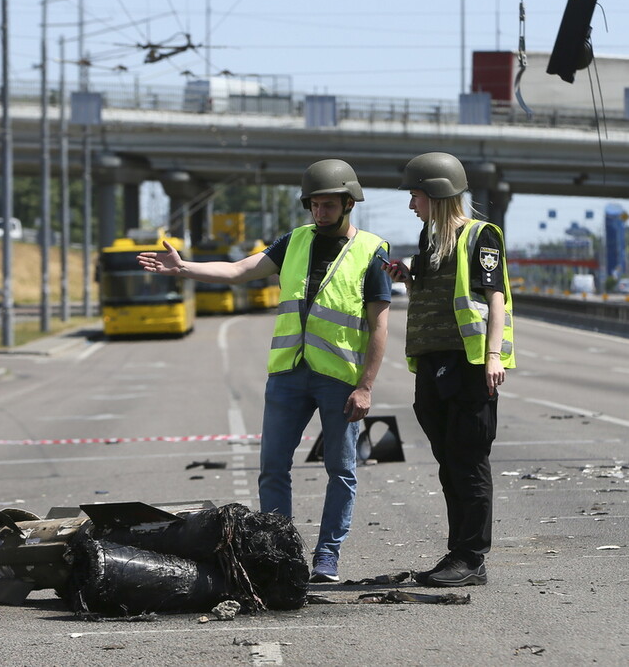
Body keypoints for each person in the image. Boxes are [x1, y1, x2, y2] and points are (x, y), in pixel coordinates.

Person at [138, 159, 391, 583]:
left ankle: (327, 555)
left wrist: (365, 386)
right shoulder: (293, 241)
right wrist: (185, 268)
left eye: (328, 205)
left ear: (349, 203)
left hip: (338, 377)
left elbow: (380, 324)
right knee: (273, 467)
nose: (320, 212)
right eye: (314, 204)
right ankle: (280, 552)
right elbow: (240, 270)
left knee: (341, 469)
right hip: (289, 374)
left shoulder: (372, 251)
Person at [384, 152, 515, 588]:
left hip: (469, 363)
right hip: (433, 361)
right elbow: (438, 289)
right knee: (448, 463)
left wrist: (493, 357)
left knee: (468, 460)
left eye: (415, 196)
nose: (411, 205)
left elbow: (494, 298)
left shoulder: (481, 237)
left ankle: (471, 557)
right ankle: (457, 552)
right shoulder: (429, 238)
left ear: (437, 194)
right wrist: (407, 275)